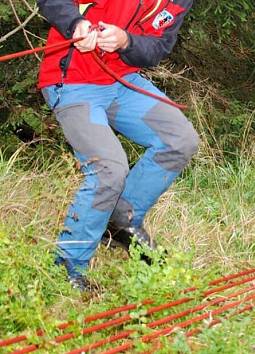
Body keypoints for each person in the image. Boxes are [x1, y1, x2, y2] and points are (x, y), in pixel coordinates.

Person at [37, 0, 199, 290]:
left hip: (120, 81)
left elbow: (157, 49)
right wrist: (76, 25)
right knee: (109, 169)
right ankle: (67, 269)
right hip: (72, 82)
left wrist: (127, 41)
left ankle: (121, 219)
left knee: (179, 140)